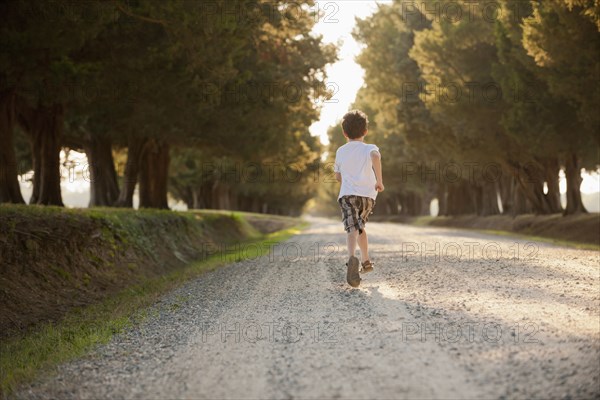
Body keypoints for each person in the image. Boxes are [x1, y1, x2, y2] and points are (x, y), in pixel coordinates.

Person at [334, 110, 384, 288]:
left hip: (348, 195)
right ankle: (366, 260)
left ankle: (351, 259)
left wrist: (346, 177)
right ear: (365, 131)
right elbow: (376, 157)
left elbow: (338, 176)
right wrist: (379, 181)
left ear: (344, 133)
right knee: (360, 226)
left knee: (351, 228)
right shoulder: (370, 147)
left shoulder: (341, 151)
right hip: (368, 196)